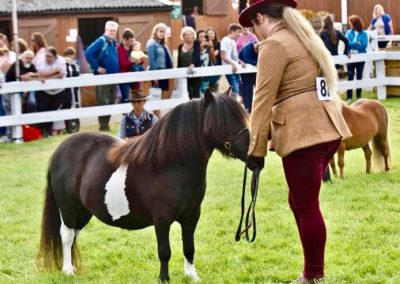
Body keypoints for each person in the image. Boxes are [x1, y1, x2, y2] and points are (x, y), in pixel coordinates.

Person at [239, 1, 352, 283]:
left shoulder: (274, 45)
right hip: (328, 128)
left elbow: (262, 99)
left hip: (305, 135)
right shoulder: (304, 38)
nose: (256, 33)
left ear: (261, 17)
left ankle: (313, 275)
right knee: (300, 201)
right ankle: (313, 271)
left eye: (254, 26)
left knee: (305, 205)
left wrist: (255, 149)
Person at [85, 21, 119, 131]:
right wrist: (97, 67)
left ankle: (106, 124)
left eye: (114, 31)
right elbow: (88, 53)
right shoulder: (101, 41)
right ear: (106, 30)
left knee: (111, 101)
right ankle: (103, 126)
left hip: (113, 77)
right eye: (110, 30)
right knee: (103, 101)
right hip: (103, 77)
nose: (112, 32)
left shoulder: (113, 43)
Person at [35, 46, 67, 137]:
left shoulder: (61, 60)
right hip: (44, 90)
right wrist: (54, 72)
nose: (47, 58)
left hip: (58, 90)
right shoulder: (41, 60)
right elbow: (41, 73)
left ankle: (48, 131)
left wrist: (46, 77)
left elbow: (61, 75)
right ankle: (43, 131)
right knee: (42, 109)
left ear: (55, 56)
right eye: (46, 56)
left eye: (49, 56)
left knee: (53, 109)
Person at [147, 23, 173, 100]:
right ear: (156, 31)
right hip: (157, 71)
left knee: (163, 94)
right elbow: (151, 60)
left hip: (165, 71)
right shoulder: (152, 43)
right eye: (161, 31)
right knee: (156, 95)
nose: (162, 33)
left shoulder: (163, 44)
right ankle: (156, 112)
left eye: (164, 32)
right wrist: (155, 75)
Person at [345, 15, 368, 104]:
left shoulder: (364, 34)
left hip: (360, 57)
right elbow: (347, 44)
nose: (349, 25)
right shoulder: (348, 32)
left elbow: (364, 45)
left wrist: (352, 44)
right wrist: (357, 43)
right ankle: (349, 96)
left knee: (359, 76)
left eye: (351, 23)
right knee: (350, 76)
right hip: (350, 58)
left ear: (355, 24)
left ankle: (359, 96)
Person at [220, 23, 245, 99]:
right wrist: (232, 64)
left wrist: (240, 61)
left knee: (237, 89)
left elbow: (234, 57)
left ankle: (230, 105)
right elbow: (223, 56)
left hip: (235, 68)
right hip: (228, 68)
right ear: (232, 31)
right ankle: (231, 106)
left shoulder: (233, 41)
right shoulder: (225, 40)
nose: (240, 34)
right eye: (238, 32)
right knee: (235, 90)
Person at [177, 26, 201, 99]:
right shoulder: (180, 46)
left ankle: (198, 108)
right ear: (183, 36)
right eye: (186, 34)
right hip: (184, 72)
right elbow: (179, 60)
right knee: (188, 92)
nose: (189, 36)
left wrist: (193, 64)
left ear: (193, 35)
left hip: (195, 71)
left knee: (196, 92)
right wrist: (178, 71)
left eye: (190, 34)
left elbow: (197, 55)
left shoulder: (196, 43)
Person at [238, 41, 259, 112]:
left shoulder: (259, 48)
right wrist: (257, 63)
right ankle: (248, 107)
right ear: (255, 47)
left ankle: (254, 107)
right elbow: (246, 60)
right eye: (257, 50)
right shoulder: (247, 48)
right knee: (247, 88)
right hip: (245, 70)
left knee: (257, 86)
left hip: (254, 70)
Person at [117, 28, 135, 103]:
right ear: (125, 39)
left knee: (134, 97)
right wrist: (132, 62)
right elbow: (122, 63)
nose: (132, 42)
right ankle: (126, 114)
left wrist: (139, 61)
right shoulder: (119, 49)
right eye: (130, 40)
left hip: (133, 75)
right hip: (124, 76)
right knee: (126, 97)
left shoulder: (132, 48)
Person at [197, 29, 217, 95]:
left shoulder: (209, 48)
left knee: (205, 92)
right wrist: (200, 48)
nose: (203, 38)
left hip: (206, 75)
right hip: (197, 75)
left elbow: (214, 60)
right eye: (201, 37)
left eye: (204, 36)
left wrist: (211, 47)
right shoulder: (195, 47)